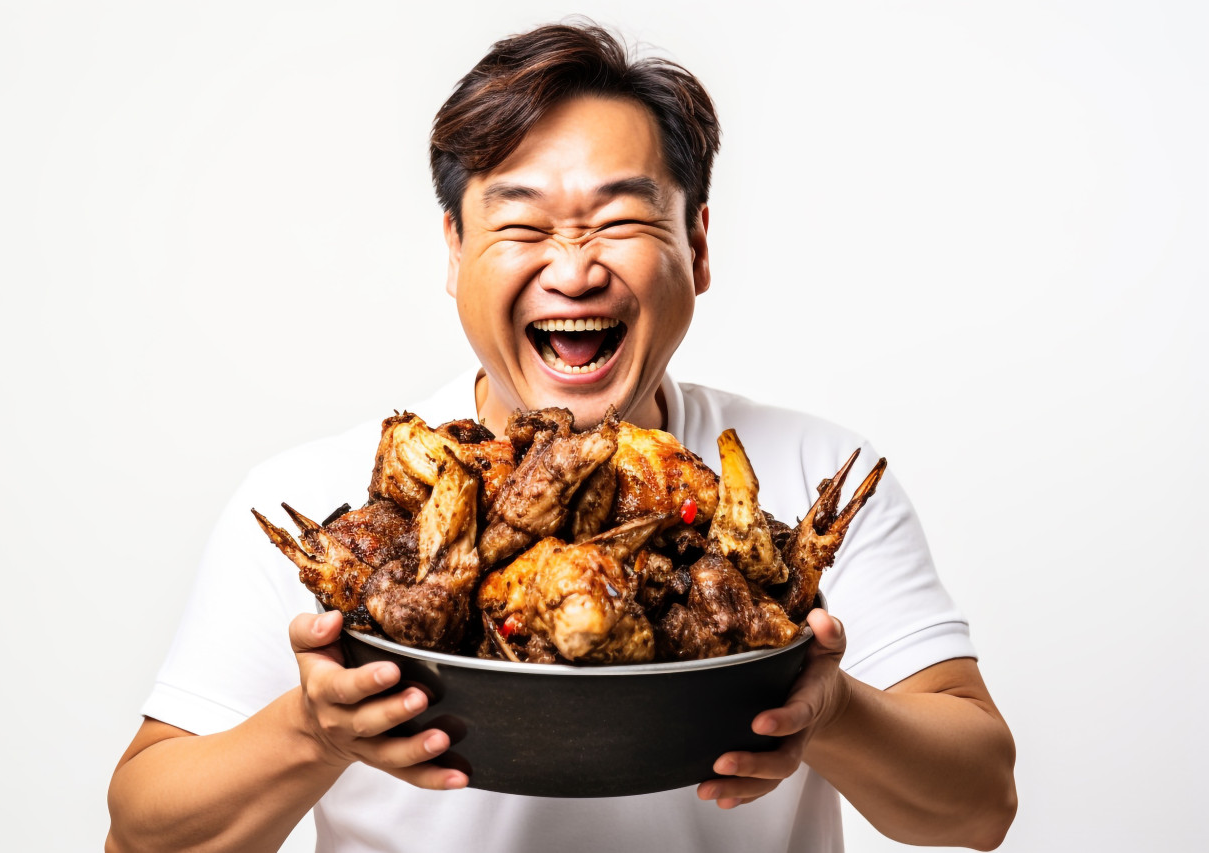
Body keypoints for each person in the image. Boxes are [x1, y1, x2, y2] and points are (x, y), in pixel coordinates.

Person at [106, 22, 1016, 853]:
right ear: (456, 249)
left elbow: (980, 804)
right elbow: (139, 835)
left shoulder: (811, 472)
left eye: (621, 219)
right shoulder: (327, 505)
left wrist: (832, 710)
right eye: (522, 222)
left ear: (698, 245)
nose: (575, 269)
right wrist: (310, 731)